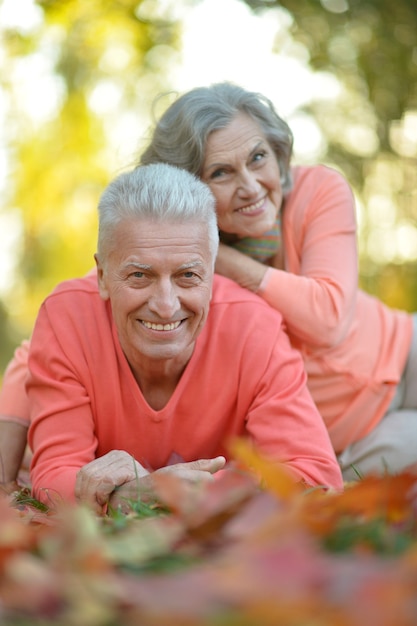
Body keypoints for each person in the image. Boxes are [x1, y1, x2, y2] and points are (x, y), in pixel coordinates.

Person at [1, 81, 415, 484]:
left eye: (258, 157)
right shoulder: (166, 255)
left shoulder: (313, 193)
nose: (250, 186)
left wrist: (223, 263)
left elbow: (328, 319)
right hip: (344, 436)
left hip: (401, 357)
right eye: (221, 172)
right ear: (186, 184)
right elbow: (69, 323)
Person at [18, 162, 343, 511]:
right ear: (102, 276)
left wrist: (183, 490)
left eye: (188, 275)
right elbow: (55, 473)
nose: (165, 305)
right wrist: (132, 494)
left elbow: (316, 474)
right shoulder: (67, 318)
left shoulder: (254, 327)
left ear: (213, 273)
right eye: (140, 275)